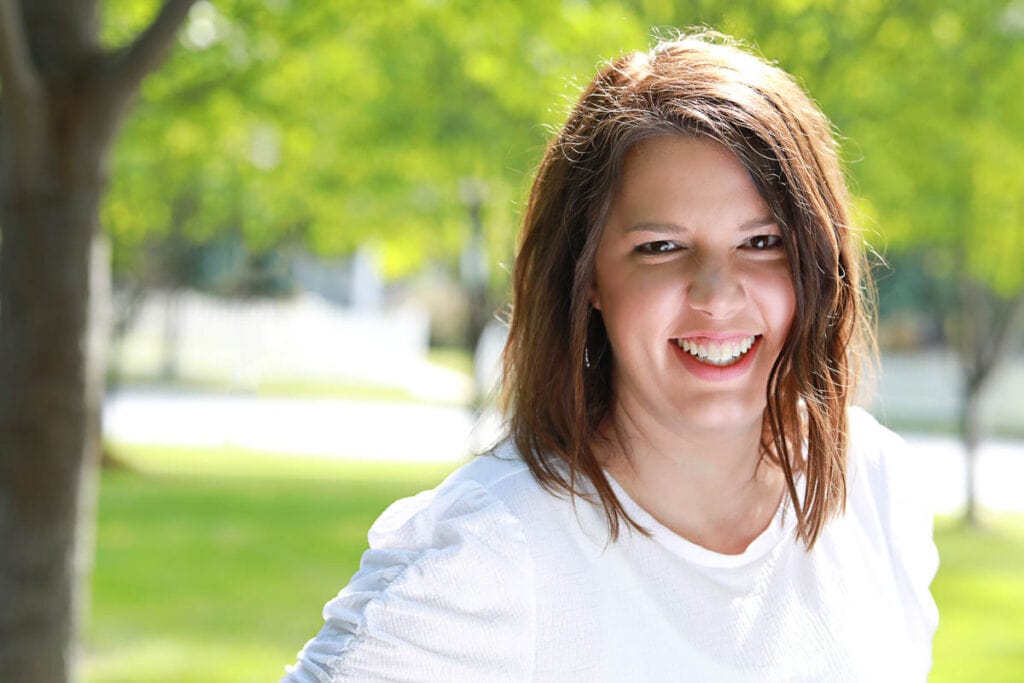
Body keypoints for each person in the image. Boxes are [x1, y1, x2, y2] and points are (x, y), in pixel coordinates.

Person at [282, 30, 938, 682]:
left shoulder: (875, 485)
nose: (717, 293)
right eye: (661, 247)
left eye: (762, 240)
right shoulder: (494, 552)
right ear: (590, 276)